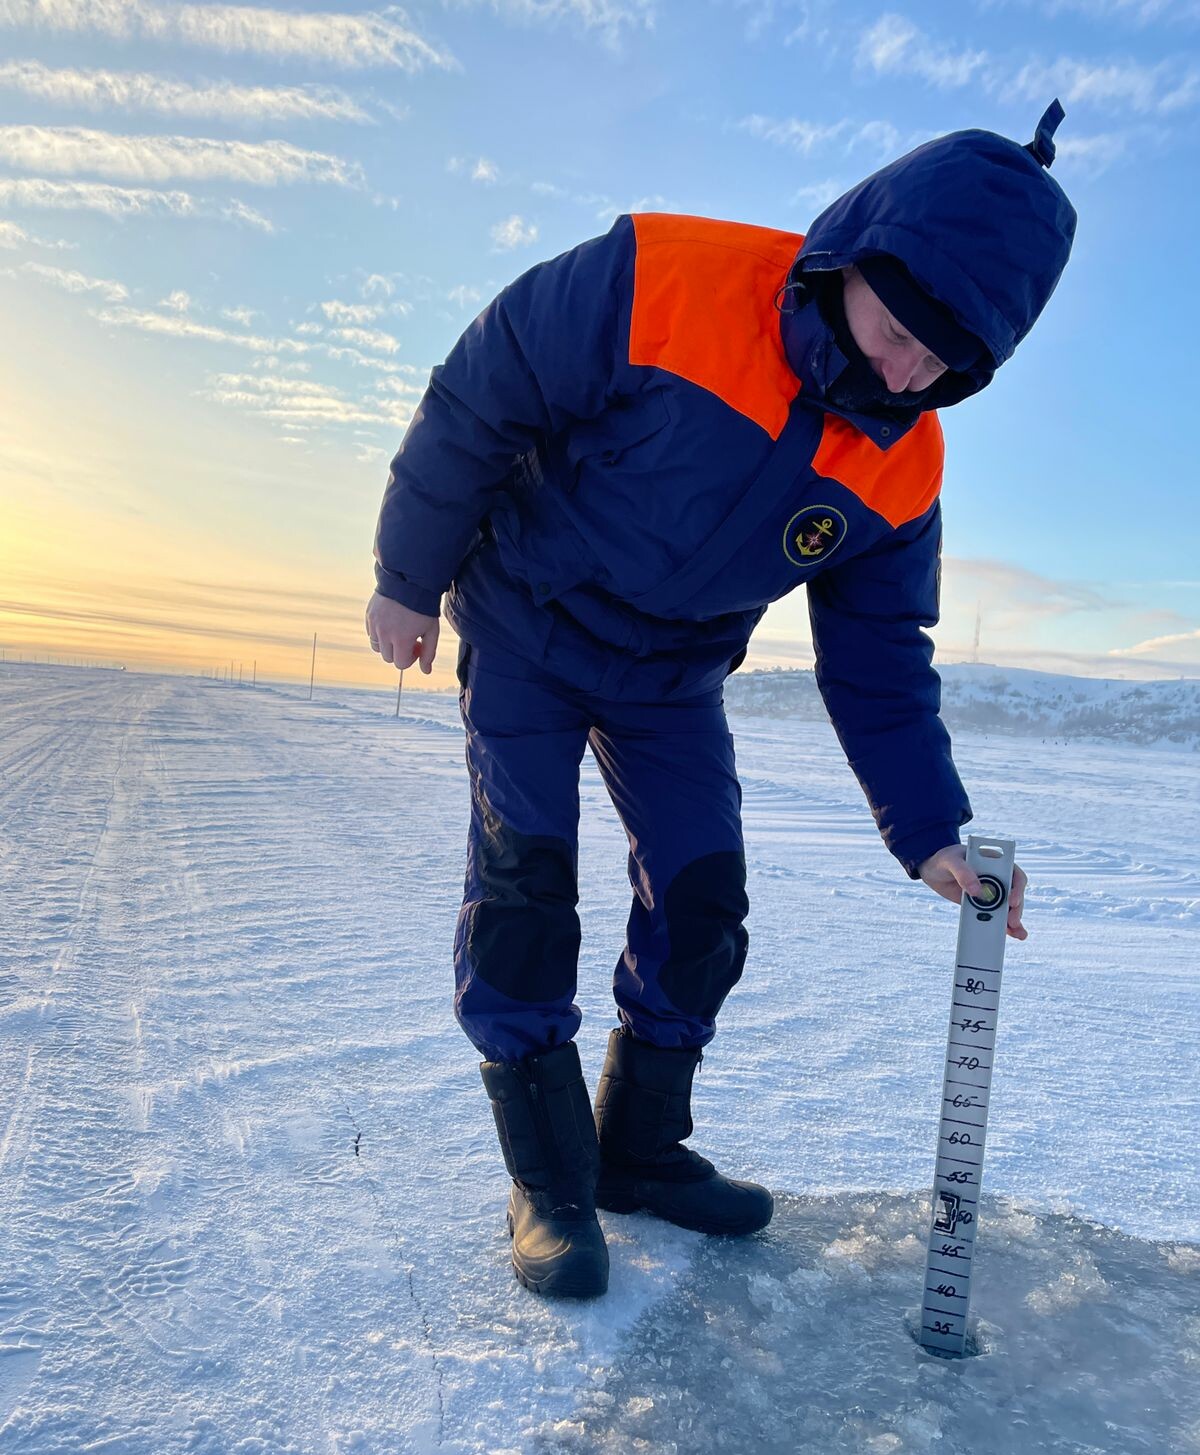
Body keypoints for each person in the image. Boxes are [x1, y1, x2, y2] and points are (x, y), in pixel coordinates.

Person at [366, 103, 1077, 1299]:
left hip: (673, 679)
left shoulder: (902, 461)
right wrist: (406, 576)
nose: (905, 372)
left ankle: (637, 1150)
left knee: (704, 899)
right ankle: (548, 1176)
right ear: (854, 258)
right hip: (528, 624)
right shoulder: (662, 279)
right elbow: (481, 397)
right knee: (527, 881)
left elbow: (881, 658)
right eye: (898, 330)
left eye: (943, 363)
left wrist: (933, 835)